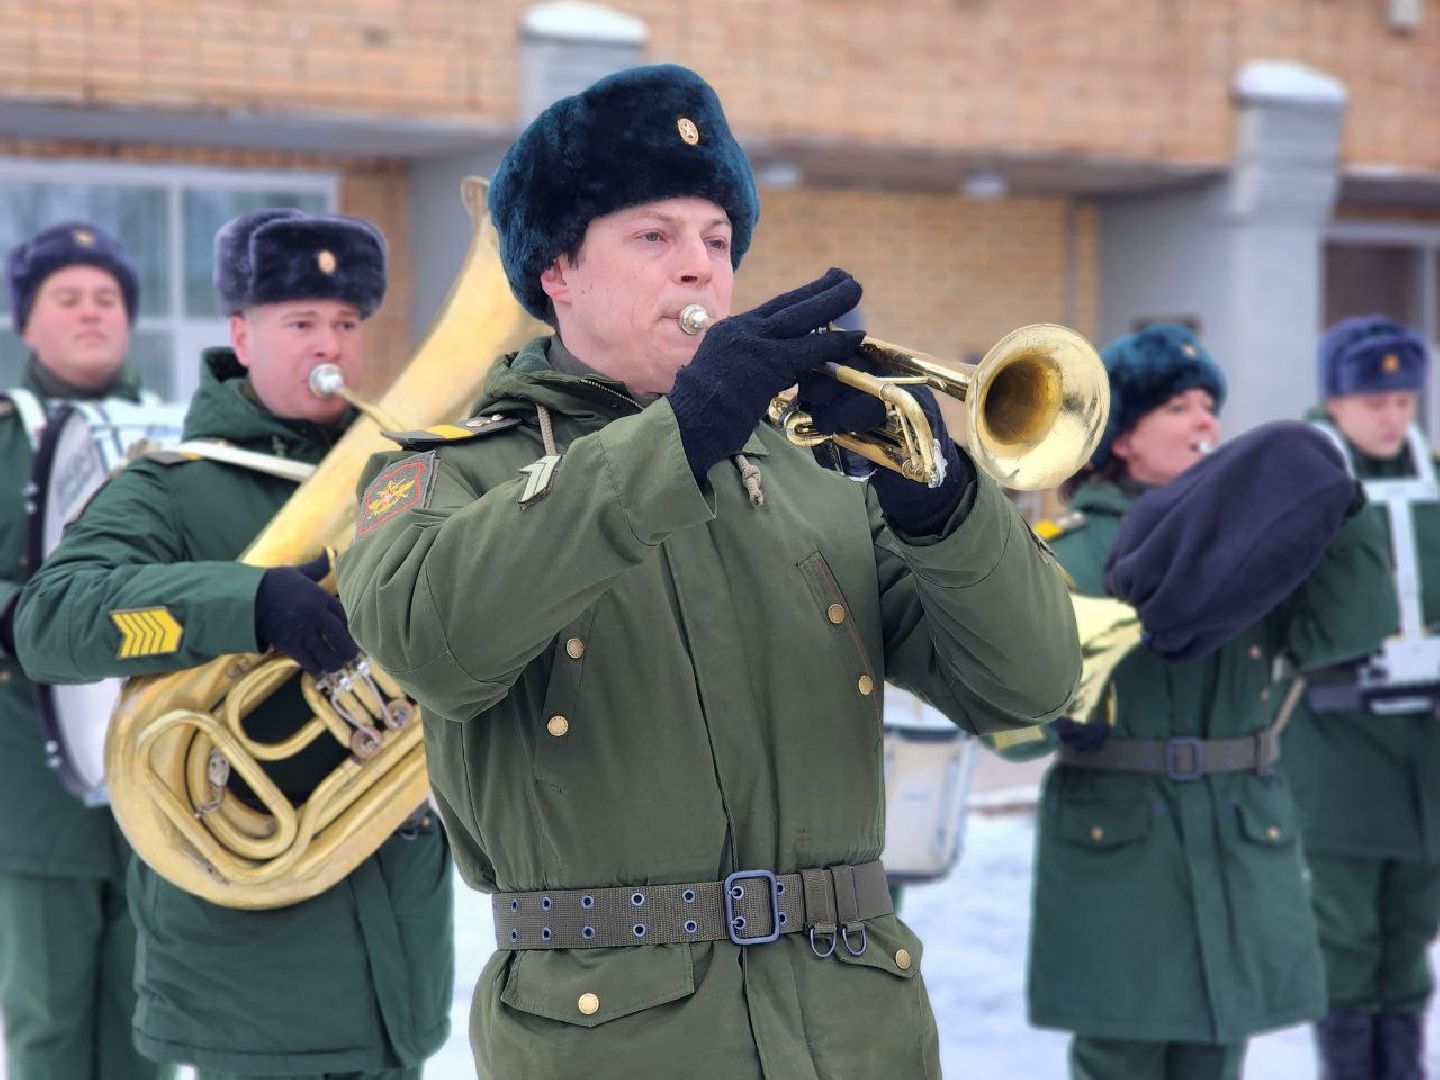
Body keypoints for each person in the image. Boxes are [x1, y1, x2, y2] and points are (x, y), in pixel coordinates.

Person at [337, 63, 1080, 1079]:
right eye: (654, 237)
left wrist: (939, 498)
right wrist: (679, 440)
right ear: (557, 271)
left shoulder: (817, 472)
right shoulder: (449, 472)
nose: (701, 269)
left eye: (718, 241)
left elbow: (1028, 685)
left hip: (855, 1033)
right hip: (615, 1042)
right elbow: (432, 642)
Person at [12, 209, 453, 1079]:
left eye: (345, 323)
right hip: (243, 957)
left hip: (400, 936)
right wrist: (244, 603)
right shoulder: (172, 486)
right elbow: (49, 622)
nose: (328, 343)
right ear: (242, 336)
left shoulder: (412, 477)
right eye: (300, 323)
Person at [1012, 323, 1395, 1080]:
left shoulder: (1249, 546)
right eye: (1181, 407)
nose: (1207, 424)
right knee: (1119, 1059)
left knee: (1219, 1057)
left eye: (1211, 407)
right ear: (1122, 437)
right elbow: (1013, 730)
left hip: (1238, 834)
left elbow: (1344, 631)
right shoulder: (1070, 548)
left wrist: (1342, 513)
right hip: (1122, 845)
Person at [0, 221, 172, 1080]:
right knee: (50, 1021)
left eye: (107, 298)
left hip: (159, 761)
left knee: (151, 1017)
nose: (92, 313)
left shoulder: (176, 436)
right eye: (66, 298)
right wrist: (39, 618)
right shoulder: (4, 435)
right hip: (32, 776)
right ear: (26, 323)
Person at [1283, 315, 1440, 1080]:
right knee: (1345, 937)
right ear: (1335, 402)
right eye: (1374, 400)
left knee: (1410, 937)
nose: (1392, 415)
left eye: (1405, 400)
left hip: (1424, 758)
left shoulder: (1434, 478)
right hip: (1336, 752)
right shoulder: (1305, 481)